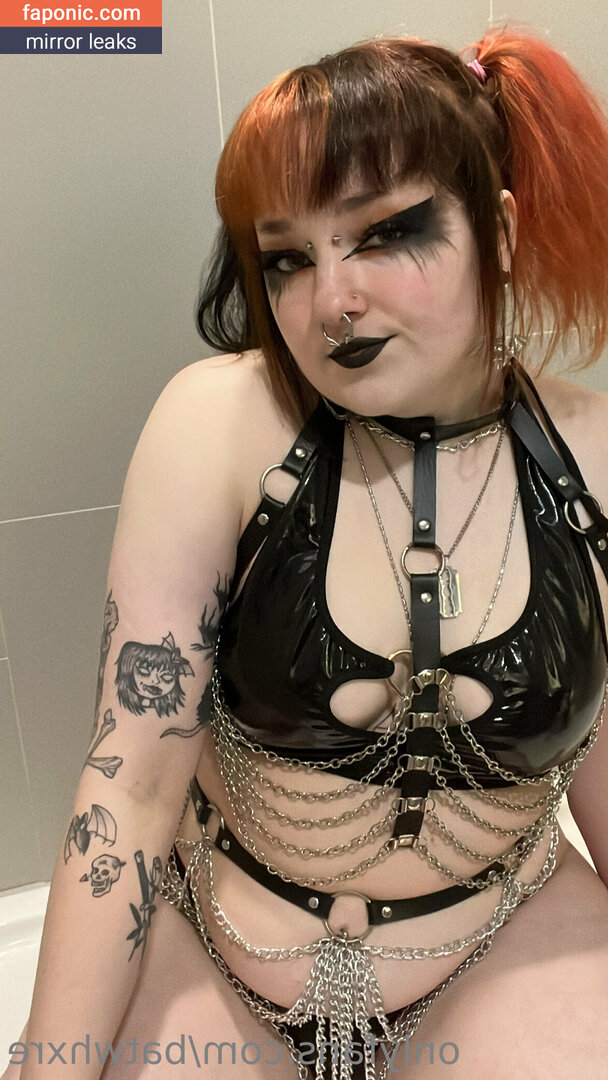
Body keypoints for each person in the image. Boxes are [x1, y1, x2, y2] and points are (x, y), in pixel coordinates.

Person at [5, 25, 608, 1080]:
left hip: (500, 945)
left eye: (383, 233)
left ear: (500, 231)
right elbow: (130, 789)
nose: (330, 301)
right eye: (289, 257)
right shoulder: (217, 425)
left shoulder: (591, 457)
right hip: (219, 952)